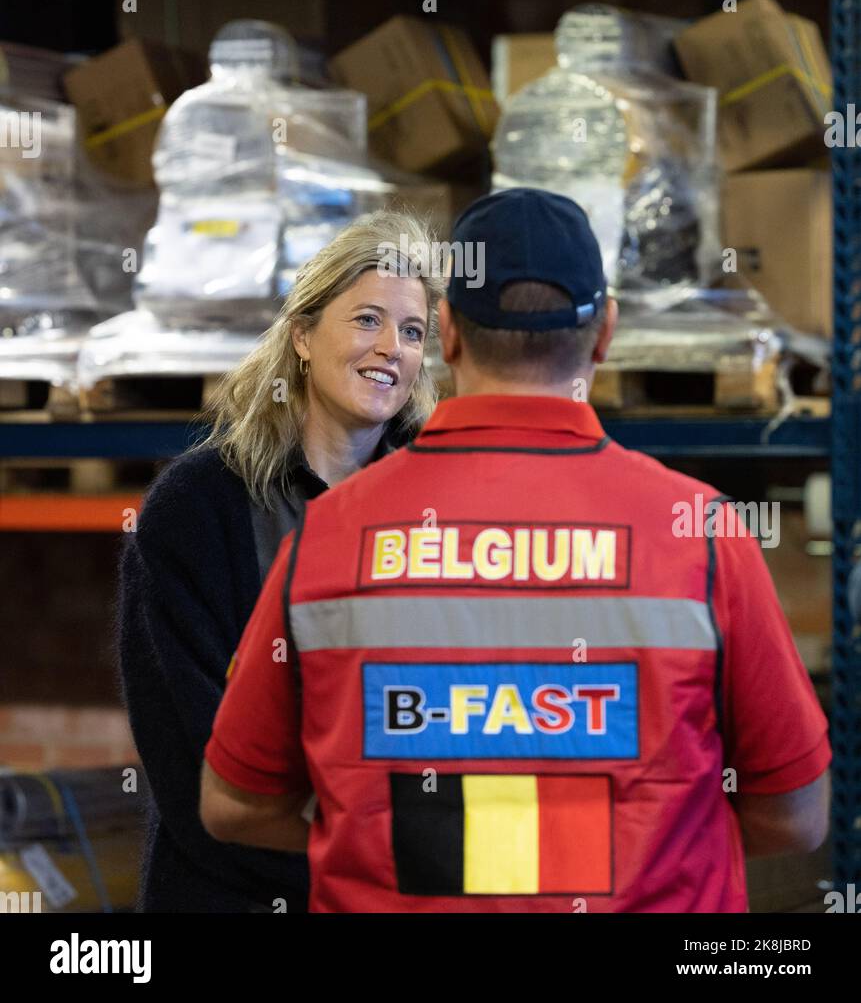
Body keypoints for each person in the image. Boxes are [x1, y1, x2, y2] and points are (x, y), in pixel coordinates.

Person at [199, 188, 831, 913]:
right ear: (604, 336)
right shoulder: (701, 531)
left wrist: (408, 836)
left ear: (445, 333)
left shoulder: (327, 537)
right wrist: (646, 842)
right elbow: (794, 816)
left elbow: (235, 806)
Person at [118, 209, 440, 912]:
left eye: (411, 332)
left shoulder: (436, 514)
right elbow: (197, 777)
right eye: (365, 320)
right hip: (231, 894)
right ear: (300, 335)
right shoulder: (198, 509)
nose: (390, 347)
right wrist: (380, 854)